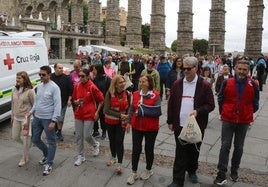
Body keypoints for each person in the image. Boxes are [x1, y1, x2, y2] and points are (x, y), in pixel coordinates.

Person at [167, 57, 215, 187]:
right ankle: (177, 180)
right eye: (184, 68)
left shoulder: (204, 85)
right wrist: (170, 121)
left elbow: (211, 105)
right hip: (180, 124)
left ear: (196, 69)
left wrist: (198, 111)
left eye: (188, 69)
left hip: (197, 125)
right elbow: (171, 103)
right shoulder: (177, 84)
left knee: (194, 150)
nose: (185, 71)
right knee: (180, 153)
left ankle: (192, 170)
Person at [214, 59, 259, 186]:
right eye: (240, 69)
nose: (242, 72)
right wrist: (224, 111)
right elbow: (221, 98)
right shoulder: (227, 82)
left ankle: (234, 170)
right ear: (235, 69)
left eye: (245, 69)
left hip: (244, 120)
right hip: (228, 118)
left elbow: (256, 102)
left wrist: (248, 111)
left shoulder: (253, 84)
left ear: (248, 71)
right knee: (225, 146)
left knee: (239, 147)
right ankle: (221, 173)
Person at [126, 75, 161, 185]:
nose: (141, 83)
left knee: (148, 149)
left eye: (144, 81)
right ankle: (133, 172)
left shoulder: (156, 95)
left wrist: (142, 111)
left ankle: (148, 169)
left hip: (151, 128)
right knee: (136, 149)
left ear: (149, 83)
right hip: (137, 126)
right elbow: (132, 108)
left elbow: (156, 112)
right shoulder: (135, 94)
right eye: (140, 81)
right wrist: (128, 121)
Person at [29, 65, 61, 176]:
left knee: (51, 141)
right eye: (40, 74)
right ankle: (47, 154)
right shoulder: (40, 86)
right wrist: (31, 112)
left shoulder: (55, 87)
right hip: (37, 118)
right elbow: (37, 101)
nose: (41, 76)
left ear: (49, 75)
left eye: (43, 74)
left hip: (48, 119)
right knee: (35, 139)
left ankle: (49, 163)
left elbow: (58, 105)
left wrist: (54, 120)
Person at [72, 68, 104, 166]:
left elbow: (101, 100)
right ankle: (80, 156)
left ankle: (95, 144)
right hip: (79, 113)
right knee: (78, 136)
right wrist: (76, 102)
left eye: (83, 76)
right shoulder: (77, 86)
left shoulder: (92, 87)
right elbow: (74, 99)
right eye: (79, 76)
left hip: (89, 114)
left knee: (86, 135)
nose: (80, 78)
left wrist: (97, 112)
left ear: (87, 76)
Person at [104, 75, 132, 174]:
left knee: (119, 141)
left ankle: (120, 164)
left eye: (124, 81)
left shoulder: (128, 94)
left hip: (121, 123)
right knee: (112, 140)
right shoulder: (109, 93)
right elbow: (106, 110)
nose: (123, 84)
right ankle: (113, 157)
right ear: (115, 85)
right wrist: (120, 115)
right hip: (110, 122)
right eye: (120, 82)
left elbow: (129, 108)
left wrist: (128, 118)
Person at [11, 71, 35, 167]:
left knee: (25, 138)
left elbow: (34, 104)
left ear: (25, 79)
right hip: (16, 117)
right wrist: (12, 115)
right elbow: (12, 103)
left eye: (19, 78)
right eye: (17, 78)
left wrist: (31, 114)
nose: (17, 80)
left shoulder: (30, 90)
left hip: (26, 118)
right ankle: (29, 145)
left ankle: (25, 158)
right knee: (15, 137)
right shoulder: (14, 89)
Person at [51, 63, 73, 141]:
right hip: (52, 102)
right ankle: (53, 131)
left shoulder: (66, 78)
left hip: (63, 101)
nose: (61, 69)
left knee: (60, 118)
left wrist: (69, 100)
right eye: (59, 68)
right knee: (53, 117)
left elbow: (71, 90)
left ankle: (59, 131)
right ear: (55, 68)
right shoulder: (51, 77)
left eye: (62, 68)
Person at [92, 65, 111, 139]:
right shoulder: (95, 79)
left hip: (104, 102)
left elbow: (109, 91)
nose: (93, 71)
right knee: (95, 116)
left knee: (103, 117)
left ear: (98, 70)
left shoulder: (107, 79)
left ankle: (104, 131)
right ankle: (95, 131)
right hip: (96, 101)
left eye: (94, 70)